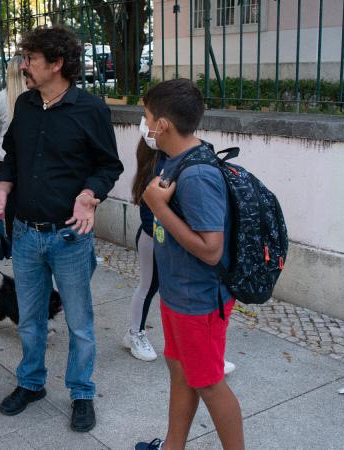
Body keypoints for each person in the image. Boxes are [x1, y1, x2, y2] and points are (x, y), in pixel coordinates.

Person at [0, 26, 123, 433]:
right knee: (30, 318)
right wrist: (3, 188)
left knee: (79, 320)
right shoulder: (23, 103)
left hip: (69, 236)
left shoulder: (90, 109)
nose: (24, 66)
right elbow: (13, 161)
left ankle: (81, 392)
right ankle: (31, 382)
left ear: (56, 64)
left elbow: (109, 165)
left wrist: (90, 193)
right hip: (24, 233)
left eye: (31, 60)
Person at [134, 79, 243, 450]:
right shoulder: (175, 159)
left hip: (199, 301)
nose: (144, 124)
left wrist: (159, 208)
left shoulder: (197, 174)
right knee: (181, 373)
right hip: (178, 294)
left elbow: (211, 250)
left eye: (146, 116)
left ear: (162, 123)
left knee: (209, 383)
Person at [125, 138, 166, 362]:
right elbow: (149, 217)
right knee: (148, 287)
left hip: (161, 239)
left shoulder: (164, 163)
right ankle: (135, 334)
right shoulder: (155, 168)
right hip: (153, 239)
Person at [0, 55, 26, 238]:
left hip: (4, 155)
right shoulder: (33, 97)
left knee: (9, 201)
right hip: (27, 155)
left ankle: (11, 236)